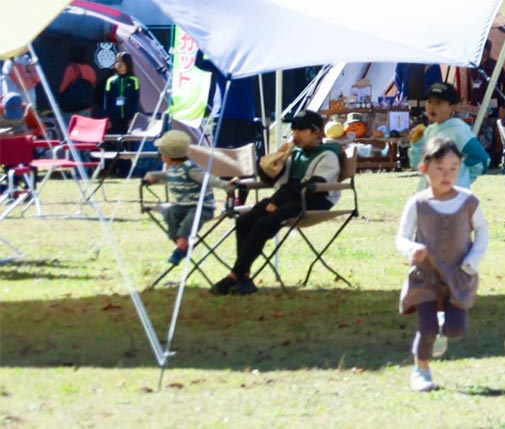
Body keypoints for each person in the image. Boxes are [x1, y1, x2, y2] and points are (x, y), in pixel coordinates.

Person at [210, 110, 342, 296]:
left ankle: (234, 276)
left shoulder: (327, 156)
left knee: (263, 224)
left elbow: (313, 186)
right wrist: (274, 161)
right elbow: (271, 179)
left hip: (313, 200)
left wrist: (278, 201)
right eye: (294, 130)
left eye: (301, 130)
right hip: (287, 198)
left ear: (315, 132)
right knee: (244, 221)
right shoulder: (294, 153)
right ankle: (244, 277)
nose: (295, 135)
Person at [398, 137, 490, 393]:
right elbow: (402, 237)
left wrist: (472, 260)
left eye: (453, 168)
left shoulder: (468, 201)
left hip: (459, 275)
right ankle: (421, 370)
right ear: (424, 169)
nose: (446, 174)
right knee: (426, 329)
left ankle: (443, 323)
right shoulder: (417, 203)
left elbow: (482, 231)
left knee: (456, 329)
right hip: (425, 276)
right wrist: (411, 249)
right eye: (439, 168)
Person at [146, 129, 214, 267]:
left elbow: (210, 179)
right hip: (183, 205)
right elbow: (167, 176)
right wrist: (152, 175)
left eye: (162, 153)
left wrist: (227, 185)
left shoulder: (191, 169)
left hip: (202, 207)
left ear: (169, 156)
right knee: (169, 213)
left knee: (189, 221)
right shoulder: (174, 168)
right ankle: (182, 244)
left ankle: (181, 248)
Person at [407, 82, 489, 183]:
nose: (432, 106)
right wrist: (417, 143)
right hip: (431, 190)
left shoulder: (459, 132)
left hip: (454, 190)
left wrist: (464, 179)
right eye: (429, 101)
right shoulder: (428, 131)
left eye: (438, 102)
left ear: (452, 107)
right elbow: (417, 164)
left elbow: (482, 161)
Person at [96, 53, 142, 137]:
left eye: (122, 62)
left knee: (127, 140)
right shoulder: (111, 80)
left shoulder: (133, 80)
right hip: (114, 118)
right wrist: (107, 118)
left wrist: (133, 118)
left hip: (128, 118)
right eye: (117, 62)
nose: (119, 64)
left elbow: (135, 101)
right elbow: (107, 102)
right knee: (114, 139)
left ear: (128, 63)